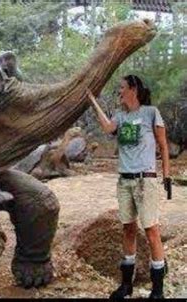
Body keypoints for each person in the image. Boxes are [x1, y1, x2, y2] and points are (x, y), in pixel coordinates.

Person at [87, 74, 170, 299]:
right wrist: (91, 100)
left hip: (146, 180)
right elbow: (107, 127)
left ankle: (158, 289)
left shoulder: (151, 113)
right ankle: (126, 285)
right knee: (128, 228)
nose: (119, 92)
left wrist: (167, 177)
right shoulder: (121, 117)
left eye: (122, 88)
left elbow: (163, 146)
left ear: (133, 89)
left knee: (151, 230)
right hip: (124, 181)